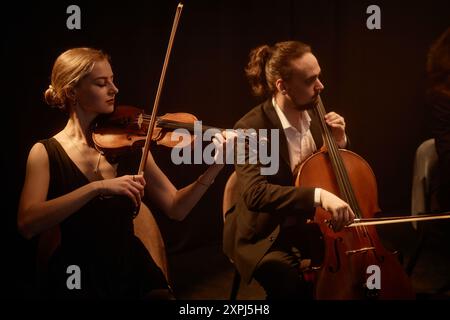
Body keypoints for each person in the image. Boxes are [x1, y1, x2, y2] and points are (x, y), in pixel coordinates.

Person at [17, 47, 234, 299]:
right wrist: (97, 188)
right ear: (71, 91)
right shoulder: (44, 152)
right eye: (101, 83)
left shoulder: (131, 145)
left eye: (112, 80)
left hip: (130, 263)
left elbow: (177, 208)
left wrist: (217, 165)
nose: (114, 89)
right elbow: (27, 224)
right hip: (77, 269)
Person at [223, 40, 355, 299]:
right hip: (265, 231)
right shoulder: (251, 128)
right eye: (310, 80)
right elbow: (255, 194)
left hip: (312, 225)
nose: (321, 86)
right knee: (289, 283)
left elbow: (331, 172)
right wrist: (318, 196)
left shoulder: (319, 117)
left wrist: (339, 142)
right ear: (282, 86)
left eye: (319, 76)